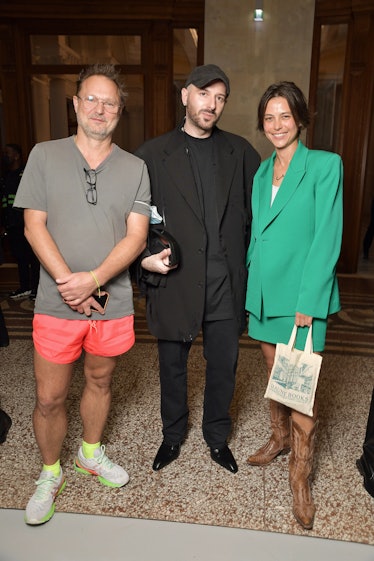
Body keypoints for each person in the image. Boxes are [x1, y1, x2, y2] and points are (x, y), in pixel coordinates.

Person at [14, 63, 151, 525]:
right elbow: (33, 224)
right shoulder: (44, 155)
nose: (100, 109)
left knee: (100, 381)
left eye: (109, 102)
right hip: (56, 303)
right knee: (49, 397)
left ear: (120, 111)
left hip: (112, 304)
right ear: (74, 104)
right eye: (90, 99)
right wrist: (69, 284)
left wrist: (93, 280)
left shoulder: (135, 167)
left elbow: (135, 238)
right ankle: (50, 472)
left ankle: (89, 454)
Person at [135, 64, 260, 474]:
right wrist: (145, 257)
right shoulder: (151, 155)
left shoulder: (241, 153)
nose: (213, 104)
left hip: (226, 282)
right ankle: (172, 437)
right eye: (205, 94)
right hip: (176, 280)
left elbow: (258, 221)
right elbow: (136, 221)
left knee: (224, 365)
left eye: (221, 97)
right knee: (172, 365)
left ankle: (217, 438)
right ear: (186, 95)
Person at [245, 81, 343, 529]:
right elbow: (259, 233)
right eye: (269, 117)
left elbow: (327, 236)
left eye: (285, 116)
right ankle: (279, 437)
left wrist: (310, 299)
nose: (277, 124)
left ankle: (299, 476)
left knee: (299, 385)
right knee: (273, 374)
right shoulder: (262, 173)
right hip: (264, 293)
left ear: (300, 119)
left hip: (301, 296)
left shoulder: (324, 166)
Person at [1, 143, 40, 301]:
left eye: (8, 153)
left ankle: (36, 289)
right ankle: (25, 287)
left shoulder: (26, 173)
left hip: (27, 223)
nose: (6, 156)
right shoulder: (5, 176)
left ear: (17, 155)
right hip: (12, 224)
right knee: (20, 257)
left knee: (33, 257)